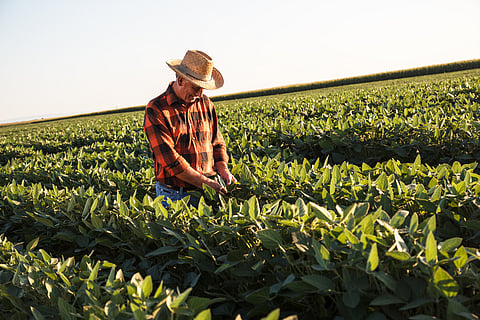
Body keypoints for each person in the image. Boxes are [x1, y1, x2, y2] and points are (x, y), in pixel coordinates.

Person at [143, 50, 237, 206]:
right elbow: (171, 161)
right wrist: (205, 183)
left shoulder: (206, 104)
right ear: (180, 80)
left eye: (202, 88)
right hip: (174, 195)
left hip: (208, 190)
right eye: (195, 88)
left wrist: (222, 168)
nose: (199, 93)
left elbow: (217, 142)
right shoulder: (157, 109)